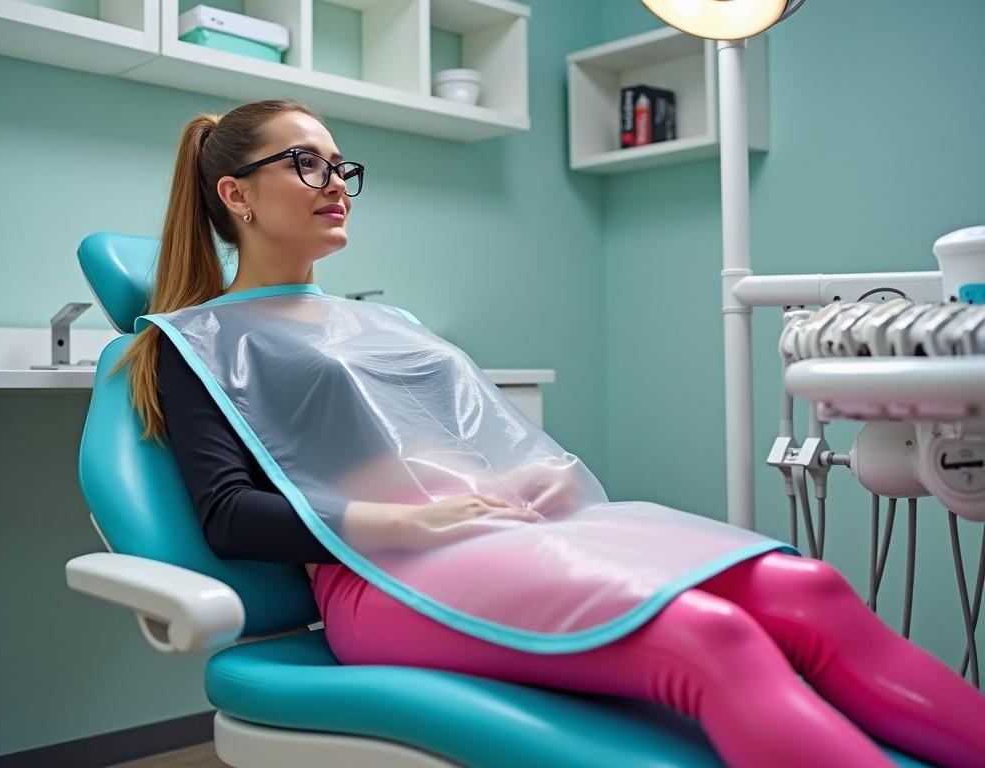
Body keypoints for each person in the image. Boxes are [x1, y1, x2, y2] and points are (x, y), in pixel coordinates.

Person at [115, 99, 985, 768]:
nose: (337, 182)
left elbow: (470, 439)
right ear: (235, 194)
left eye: (343, 165)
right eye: (306, 164)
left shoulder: (387, 321)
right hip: (385, 575)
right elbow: (229, 515)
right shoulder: (198, 342)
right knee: (711, 641)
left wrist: (524, 485)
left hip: (519, 534)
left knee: (805, 591)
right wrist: (404, 522)